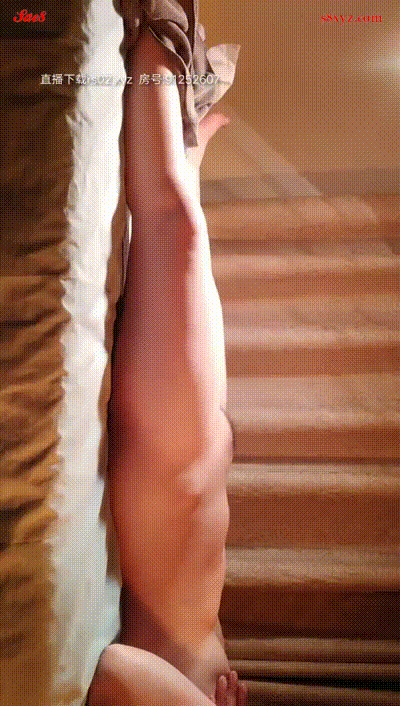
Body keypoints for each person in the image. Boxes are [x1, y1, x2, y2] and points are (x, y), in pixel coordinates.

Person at [87, 13, 245, 706]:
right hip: (188, 498)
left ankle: (159, 38)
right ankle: (184, 140)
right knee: (181, 243)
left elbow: (116, 670)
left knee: (173, 235)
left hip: (167, 517)